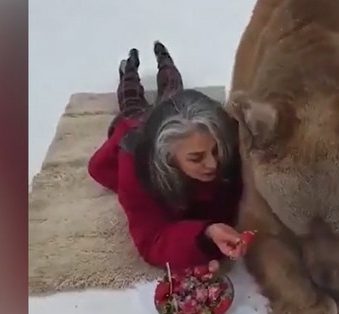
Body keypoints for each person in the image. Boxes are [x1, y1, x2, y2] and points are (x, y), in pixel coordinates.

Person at [88, 41, 246, 275]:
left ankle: (165, 60)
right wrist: (203, 237)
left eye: (215, 150)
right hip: (138, 124)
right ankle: (128, 70)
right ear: (168, 159)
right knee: (131, 103)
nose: (213, 164)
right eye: (196, 158)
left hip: (169, 115)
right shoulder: (136, 167)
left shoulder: (225, 137)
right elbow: (152, 240)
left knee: (173, 90)